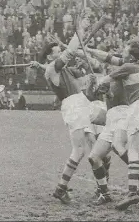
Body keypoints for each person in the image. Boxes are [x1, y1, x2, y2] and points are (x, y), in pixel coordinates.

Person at [30, 14, 108, 204]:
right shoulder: (53, 68)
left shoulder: (55, 68)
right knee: (80, 150)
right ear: (50, 55)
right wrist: (80, 28)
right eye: (57, 51)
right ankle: (61, 188)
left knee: (93, 144)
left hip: (80, 103)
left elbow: (68, 59)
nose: (60, 53)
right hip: (73, 106)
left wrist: (39, 65)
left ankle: (103, 190)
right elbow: (71, 52)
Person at [87, 42, 139, 211]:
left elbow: (107, 77)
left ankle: (132, 192)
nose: (120, 52)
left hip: (137, 108)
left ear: (131, 56)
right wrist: (88, 51)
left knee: (131, 149)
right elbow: (108, 58)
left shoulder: (127, 66)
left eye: (124, 50)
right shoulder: (136, 66)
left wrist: (98, 84)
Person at [86, 61, 139, 206]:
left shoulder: (122, 80)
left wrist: (106, 90)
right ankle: (105, 194)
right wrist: (91, 84)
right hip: (110, 119)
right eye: (108, 66)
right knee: (93, 157)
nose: (110, 67)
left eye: (112, 66)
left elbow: (116, 97)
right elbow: (91, 97)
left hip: (123, 114)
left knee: (118, 146)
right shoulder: (106, 80)